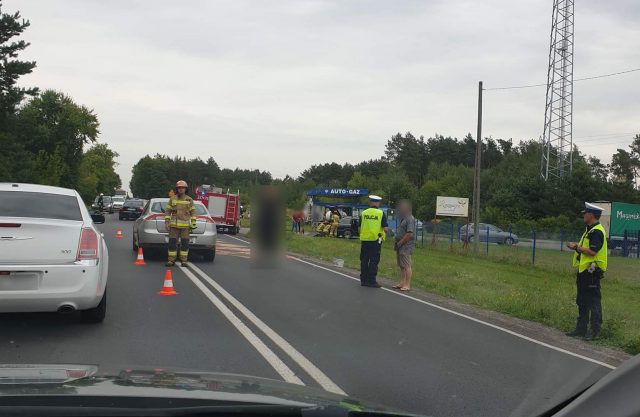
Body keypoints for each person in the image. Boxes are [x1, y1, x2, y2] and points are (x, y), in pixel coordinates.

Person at [565, 202, 608, 340]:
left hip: (592, 272)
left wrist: (576, 247)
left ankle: (594, 330)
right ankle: (581, 329)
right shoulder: (589, 229)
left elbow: (592, 252)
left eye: (585, 213)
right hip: (585, 271)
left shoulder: (597, 232)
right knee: (582, 300)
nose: (583, 215)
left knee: (593, 301)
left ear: (591, 214)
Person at [164, 180, 196, 267]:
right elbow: (167, 211)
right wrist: (167, 222)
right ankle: (171, 261)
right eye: (179, 188)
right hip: (174, 226)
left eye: (182, 188)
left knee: (185, 244)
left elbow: (193, 212)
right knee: (172, 243)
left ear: (186, 189)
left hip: (185, 227)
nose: (181, 189)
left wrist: (193, 224)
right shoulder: (172, 199)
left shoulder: (189, 199)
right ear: (177, 189)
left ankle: (184, 261)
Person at [359, 195, 388, 287]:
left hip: (365, 240)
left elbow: (359, 228)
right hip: (376, 240)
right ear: (378, 203)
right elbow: (386, 228)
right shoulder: (381, 213)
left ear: (370, 203)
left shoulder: (364, 213)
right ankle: (371, 281)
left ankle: (363, 280)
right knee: (374, 260)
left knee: (364, 260)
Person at [392, 200, 416, 291]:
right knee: (401, 265)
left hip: (406, 245)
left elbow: (409, 234)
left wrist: (401, 242)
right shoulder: (404, 218)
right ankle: (402, 282)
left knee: (406, 265)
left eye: (402, 208)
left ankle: (407, 284)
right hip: (400, 244)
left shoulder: (410, 218)